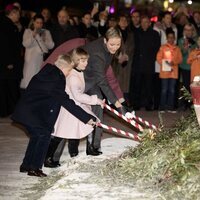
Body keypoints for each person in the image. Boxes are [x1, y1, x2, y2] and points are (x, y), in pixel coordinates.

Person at [48, 27, 128, 165]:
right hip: (77, 82)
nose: (115, 48)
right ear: (105, 40)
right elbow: (103, 81)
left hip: (89, 80)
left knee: (98, 109)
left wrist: (114, 100)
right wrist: (117, 104)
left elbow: (106, 77)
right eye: (112, 44)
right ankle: (52, 157)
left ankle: (93, 146)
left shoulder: (107, 48)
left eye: (118, 44)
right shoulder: (97, 54)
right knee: (68, 119)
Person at [11, 54, 97, 177]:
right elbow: (67, 102)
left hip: (27, 111)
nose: (68, 74)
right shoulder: (56, 80)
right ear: (64, 69)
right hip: (33, 114)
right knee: (44, 135)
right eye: (68, 71)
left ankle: (26, 165)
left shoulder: (47, 72)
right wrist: (86, 118)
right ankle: (35, 168)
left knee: (36, 136)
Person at [45, 48, 104, 166]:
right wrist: (95, 100)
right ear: (76, 61)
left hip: (75, 107)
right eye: (83, 61)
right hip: (70, 109)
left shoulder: (79, 72)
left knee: (78, 129)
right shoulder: (72, 76)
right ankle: (49, 158)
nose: (86, 63)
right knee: (61, 135)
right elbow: (78, 96)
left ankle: (77, 152)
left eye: (86, 60)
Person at [20, 14, 54, 89]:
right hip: (30, 61)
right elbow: (25, 44)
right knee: (29, 81)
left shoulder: (46, 32)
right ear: (33, 22)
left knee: (39, 82)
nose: (39, 25)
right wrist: (33, 35)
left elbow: (51, 45)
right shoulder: (28, 31)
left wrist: (43, 39)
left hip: (41, 61)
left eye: (41, 23)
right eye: (37, 22)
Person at [0, 4, 23, 117]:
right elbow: (5, 45)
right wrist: (8, 62)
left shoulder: (9, 24)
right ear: (12, 13)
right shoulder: (6, 25)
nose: (19, 15)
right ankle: (11, 111)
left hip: (9, 63)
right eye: (17, 13)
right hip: (9, 64)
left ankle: (8, 110)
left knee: (8, 88)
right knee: (9, 88)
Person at [156, 30, 182, 113]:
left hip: (173, 73)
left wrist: (174, 62)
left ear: (174, 38)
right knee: (164, 90)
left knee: (172, 90)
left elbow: (180, 59)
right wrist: (165, 64)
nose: (170, 39)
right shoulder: (163, 47)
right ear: (167, 38)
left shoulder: (177, 48)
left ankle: (170, 107)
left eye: (172, 37)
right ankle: (162, 107)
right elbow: (158, 58)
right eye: (169, 37)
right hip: (164, 73)